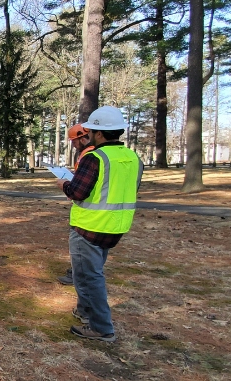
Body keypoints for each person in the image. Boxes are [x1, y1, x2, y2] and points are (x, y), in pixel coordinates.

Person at [56, 106, 142, 342]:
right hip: (116, 226)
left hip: (89, 227)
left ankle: (101, 328)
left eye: (92, 131)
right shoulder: (134, 158)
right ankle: (85, 312)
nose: (89, 134)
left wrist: (63, 184)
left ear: (100, 134)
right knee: (90, 273)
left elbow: (77, 192)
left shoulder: (95, 157)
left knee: (88, 278)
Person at [57, 125, 95, 285]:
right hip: (95, 212)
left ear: (83, 137)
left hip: (88, 213)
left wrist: (66, 186)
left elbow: (79, 192)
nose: (73, 145)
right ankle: (79, 273)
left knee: (82, 247)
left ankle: (78, 275)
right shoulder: (92, 154)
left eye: (74, 141)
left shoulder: (90, 156)